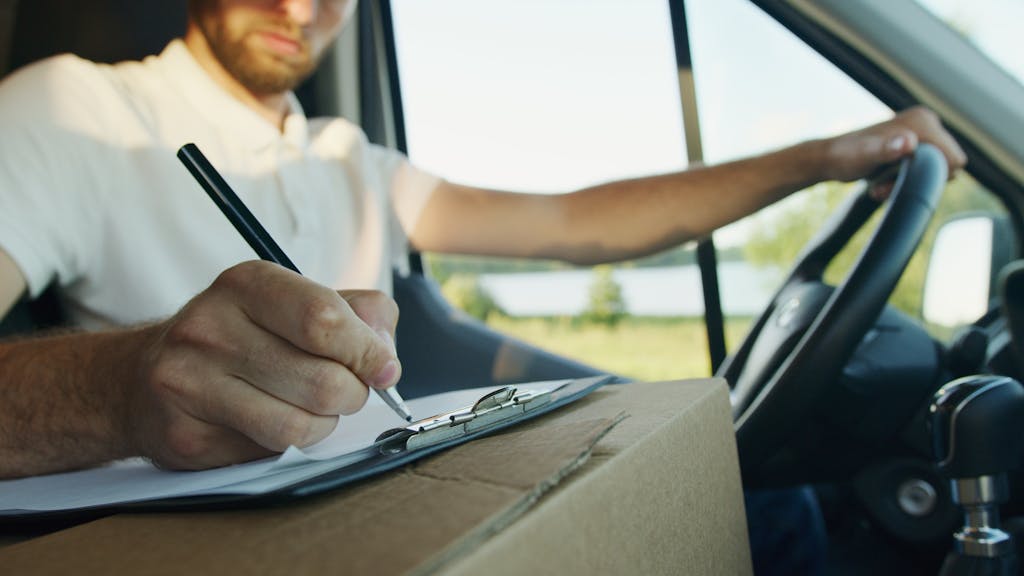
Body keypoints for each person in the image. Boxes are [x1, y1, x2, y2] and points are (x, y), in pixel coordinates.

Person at [0, 0, 966, 480]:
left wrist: (825, 155)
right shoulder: (77, 109)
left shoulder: (347, 157)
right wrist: (121, 389)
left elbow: (572, 223)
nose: (300, 8)